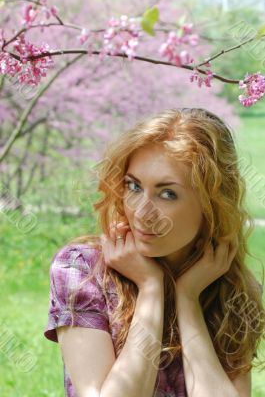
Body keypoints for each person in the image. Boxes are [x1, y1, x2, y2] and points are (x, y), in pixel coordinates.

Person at [44, 107, 264, 397]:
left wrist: (187, 300)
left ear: (212, 204)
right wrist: (150, 288)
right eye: (133, 186)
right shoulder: (82, 271)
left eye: (167, 193)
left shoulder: (234, 288)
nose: (142, 213)